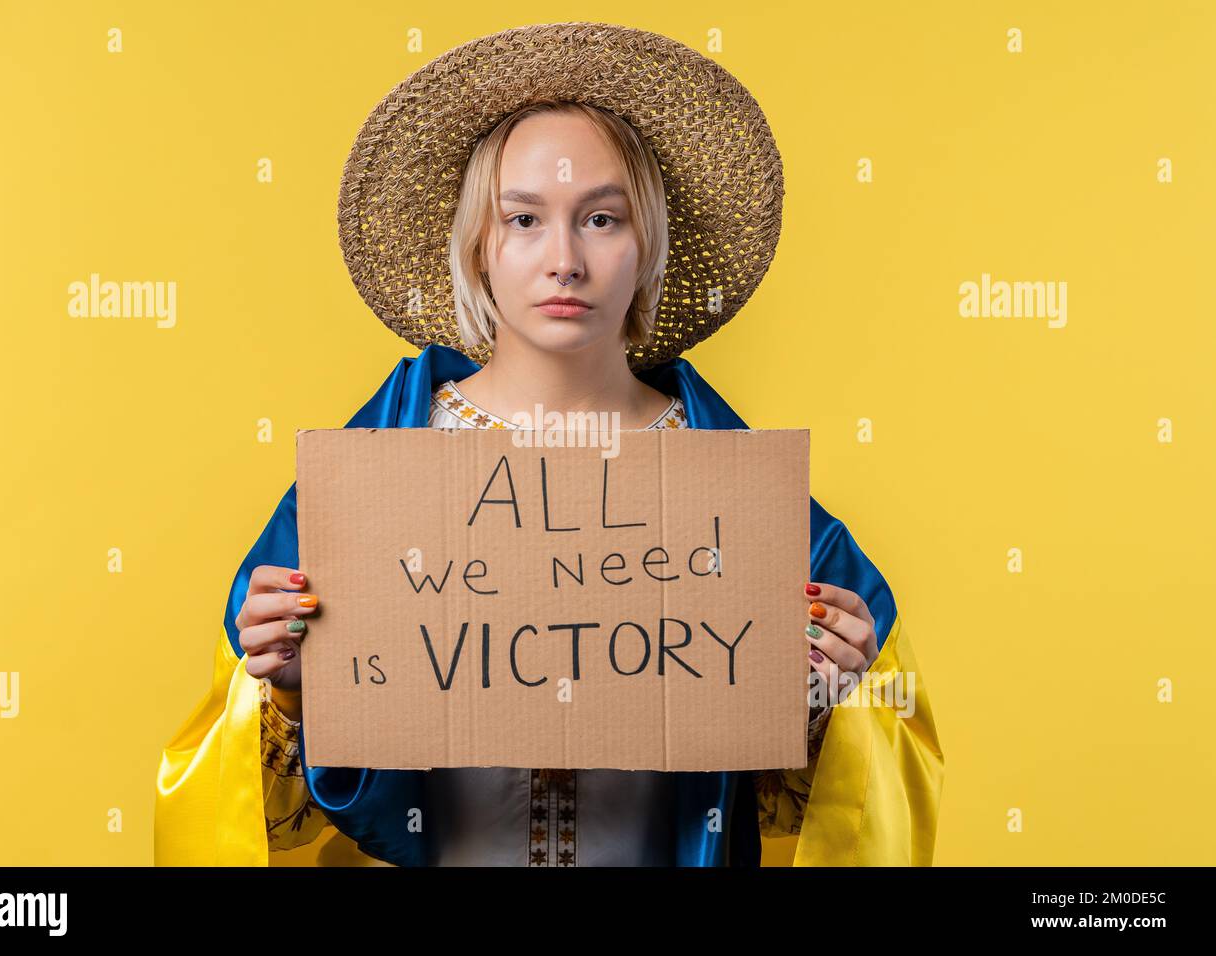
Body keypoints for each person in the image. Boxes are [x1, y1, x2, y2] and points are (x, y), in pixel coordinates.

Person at [155, 23, 943, 867]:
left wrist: (833, 698)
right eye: (524, 219)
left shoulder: (746, 501)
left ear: (647, 250)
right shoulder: (365, 483)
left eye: (601, 218)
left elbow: (810, 798)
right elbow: (267, 809)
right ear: (479, 249)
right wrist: (286, 695)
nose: (563, 259)